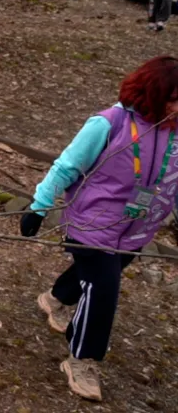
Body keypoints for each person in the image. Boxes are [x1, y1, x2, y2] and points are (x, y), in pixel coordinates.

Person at [20, 56, 178, 402]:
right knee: (104, 290)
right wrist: (39, 206)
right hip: (93, 225)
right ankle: (83, 360)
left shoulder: (175, 132)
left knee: (92, 277)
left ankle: (55, 299)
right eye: (174, 99)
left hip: (136, 232)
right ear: (155, 93)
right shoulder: (109, 123)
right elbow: (66, 166)